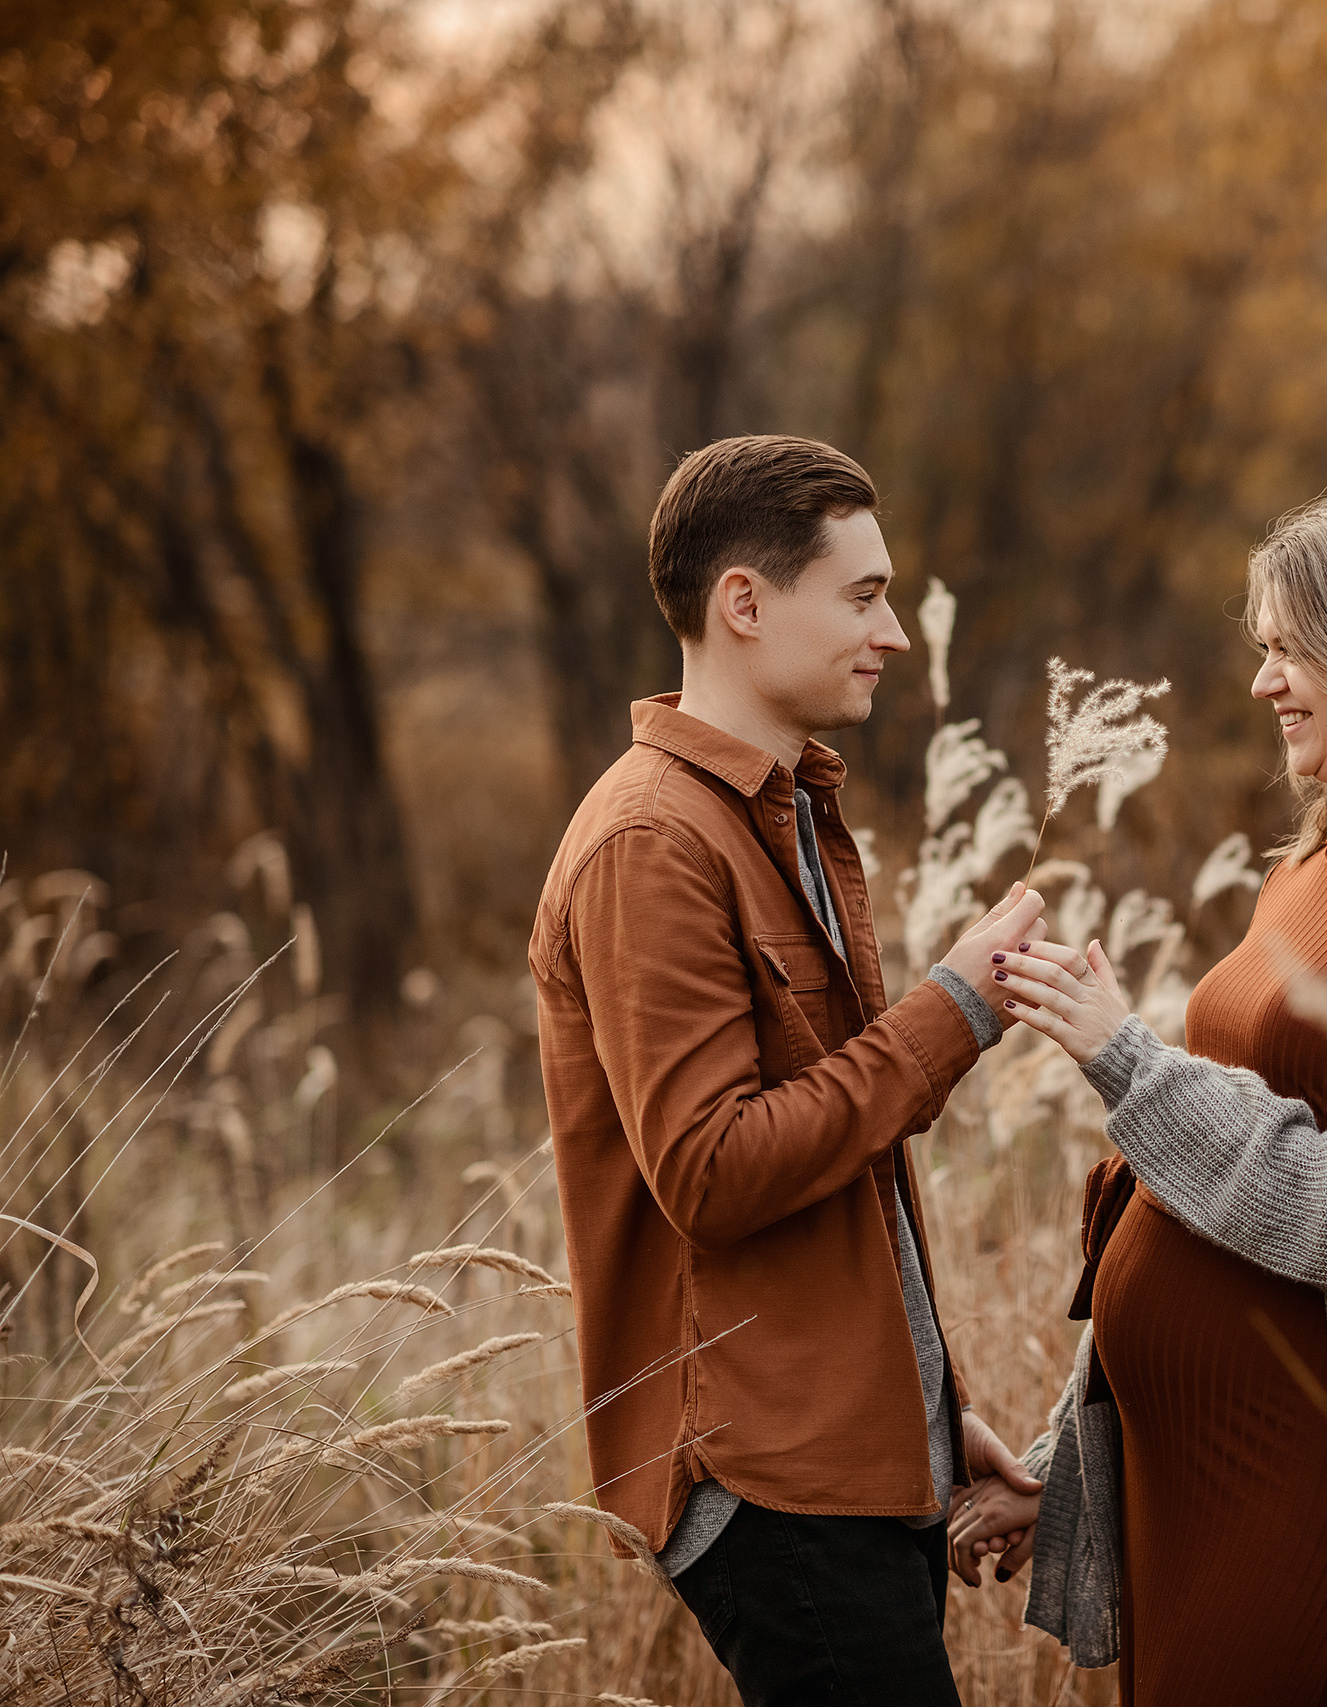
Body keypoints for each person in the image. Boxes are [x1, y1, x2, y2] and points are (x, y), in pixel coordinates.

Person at [948, 490, 1327, 1705]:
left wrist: (1130, 1060)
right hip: (1173, 1476)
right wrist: (1060, 1466)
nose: (1263, 682)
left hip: (1286, 1478)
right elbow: (1199, 1197)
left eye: (1287, 650)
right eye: (1264, 650)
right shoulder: (1300, 873)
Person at [529, 435, 1044, 1706]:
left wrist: (925, 1407)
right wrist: (954, 1014)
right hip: (768, 1473)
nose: (896, 633)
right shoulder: (652, 843)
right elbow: (714, 1171)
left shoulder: (783, 808)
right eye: (863, 598)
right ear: (744, 605)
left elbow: (834, 1165)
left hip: (844, 1445)